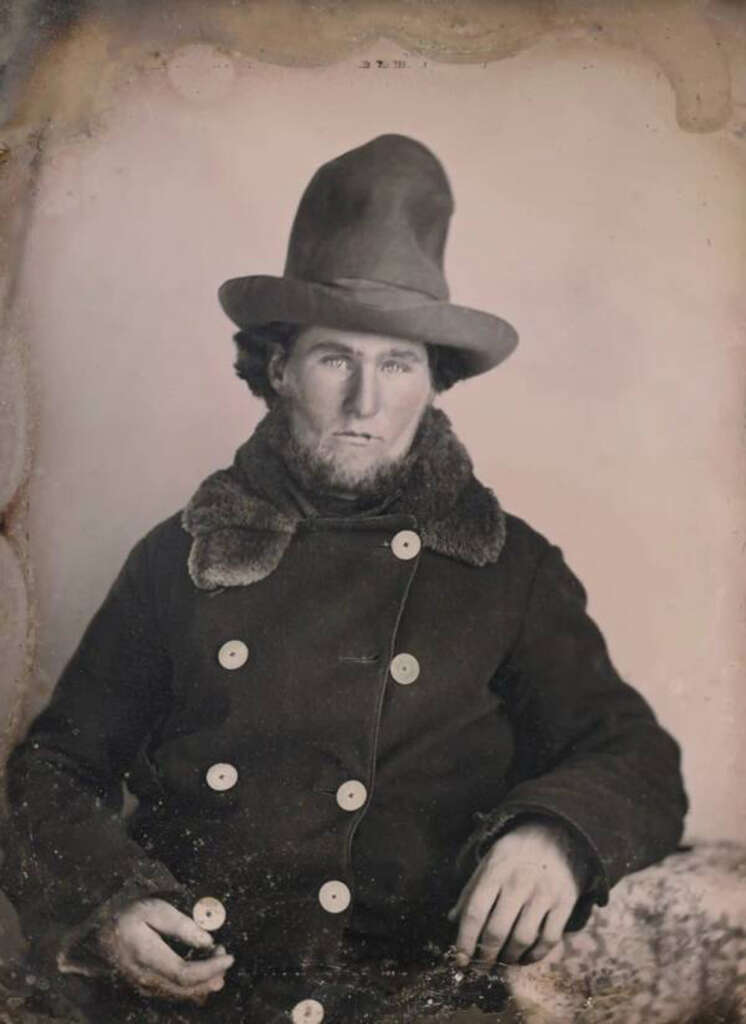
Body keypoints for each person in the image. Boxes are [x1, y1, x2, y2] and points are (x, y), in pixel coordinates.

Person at [5, 134, 688, 1023]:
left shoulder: (509, 568)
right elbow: (52, 771)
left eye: (397, 364)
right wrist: (113, 905)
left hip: (412, 1001)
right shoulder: (178, 557)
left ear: (432, 383)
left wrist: (559, 834)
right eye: (337, 359)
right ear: (280, 367)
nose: (366, 404)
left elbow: (635, 755)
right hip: (197, 1000)